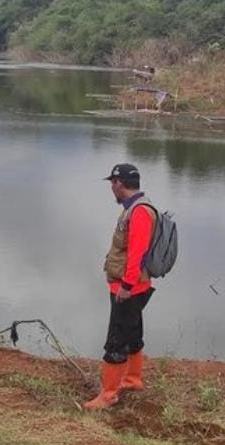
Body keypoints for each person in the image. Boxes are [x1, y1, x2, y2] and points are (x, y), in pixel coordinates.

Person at [84, 163, 157, 410]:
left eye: (112, 184)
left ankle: (108, 395)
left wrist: (125, 286)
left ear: (119, 183)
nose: (111, 189)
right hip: (135, 287)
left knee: (116, 341)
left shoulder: (139, 212)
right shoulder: (134, 208)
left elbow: (137, 253)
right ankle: (133, 379)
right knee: (133, 333)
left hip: (129, 289)